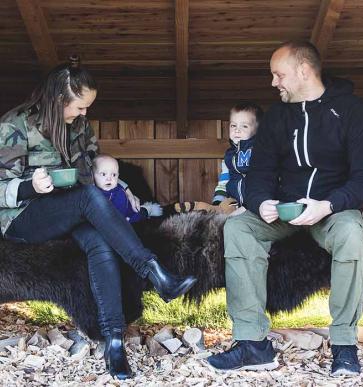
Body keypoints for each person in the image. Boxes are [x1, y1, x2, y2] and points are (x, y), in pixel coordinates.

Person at [0, 57, 197, 380]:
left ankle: (114, 342)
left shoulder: (79, 127)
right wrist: (28, 186)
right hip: (23, 218)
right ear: (59, 99)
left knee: (100, 242)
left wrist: (123, 187)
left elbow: (92, 171)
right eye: (80, 106)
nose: (84, 113)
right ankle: (154, 271)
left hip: (70, 210)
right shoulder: (15, 125)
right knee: (90, 199)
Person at [207, 41, 363, 376]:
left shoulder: (351, 111)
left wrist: (327, 205)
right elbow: (258, 173)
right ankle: (252, 343)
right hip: (283, 211)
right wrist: (261, 202)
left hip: (332, 210)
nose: (274, 83)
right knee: (238, 227)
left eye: (278, 74)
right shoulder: (277, 117)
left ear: (303, 71)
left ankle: (344, 345)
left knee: (350, 232)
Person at [175, 102, 264, 216]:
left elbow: (263, 180)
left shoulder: (260, 151)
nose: (237, 130)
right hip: (234, 205)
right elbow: (223, 183)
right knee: (216, 216)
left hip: (256, 204)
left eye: (244, 126)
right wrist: (218, 203)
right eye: (233, 125)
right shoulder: (229, 156)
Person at [92, 154, 162, 223]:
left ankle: (146, 209)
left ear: (118, 176)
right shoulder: (93, 191)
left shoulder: (118, 193)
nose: (109, 178)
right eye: (103, 174)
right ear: (92, 175)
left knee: (136, 216)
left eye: (114, 175)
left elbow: (119, 215)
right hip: (106, 218)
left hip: (126, 213)